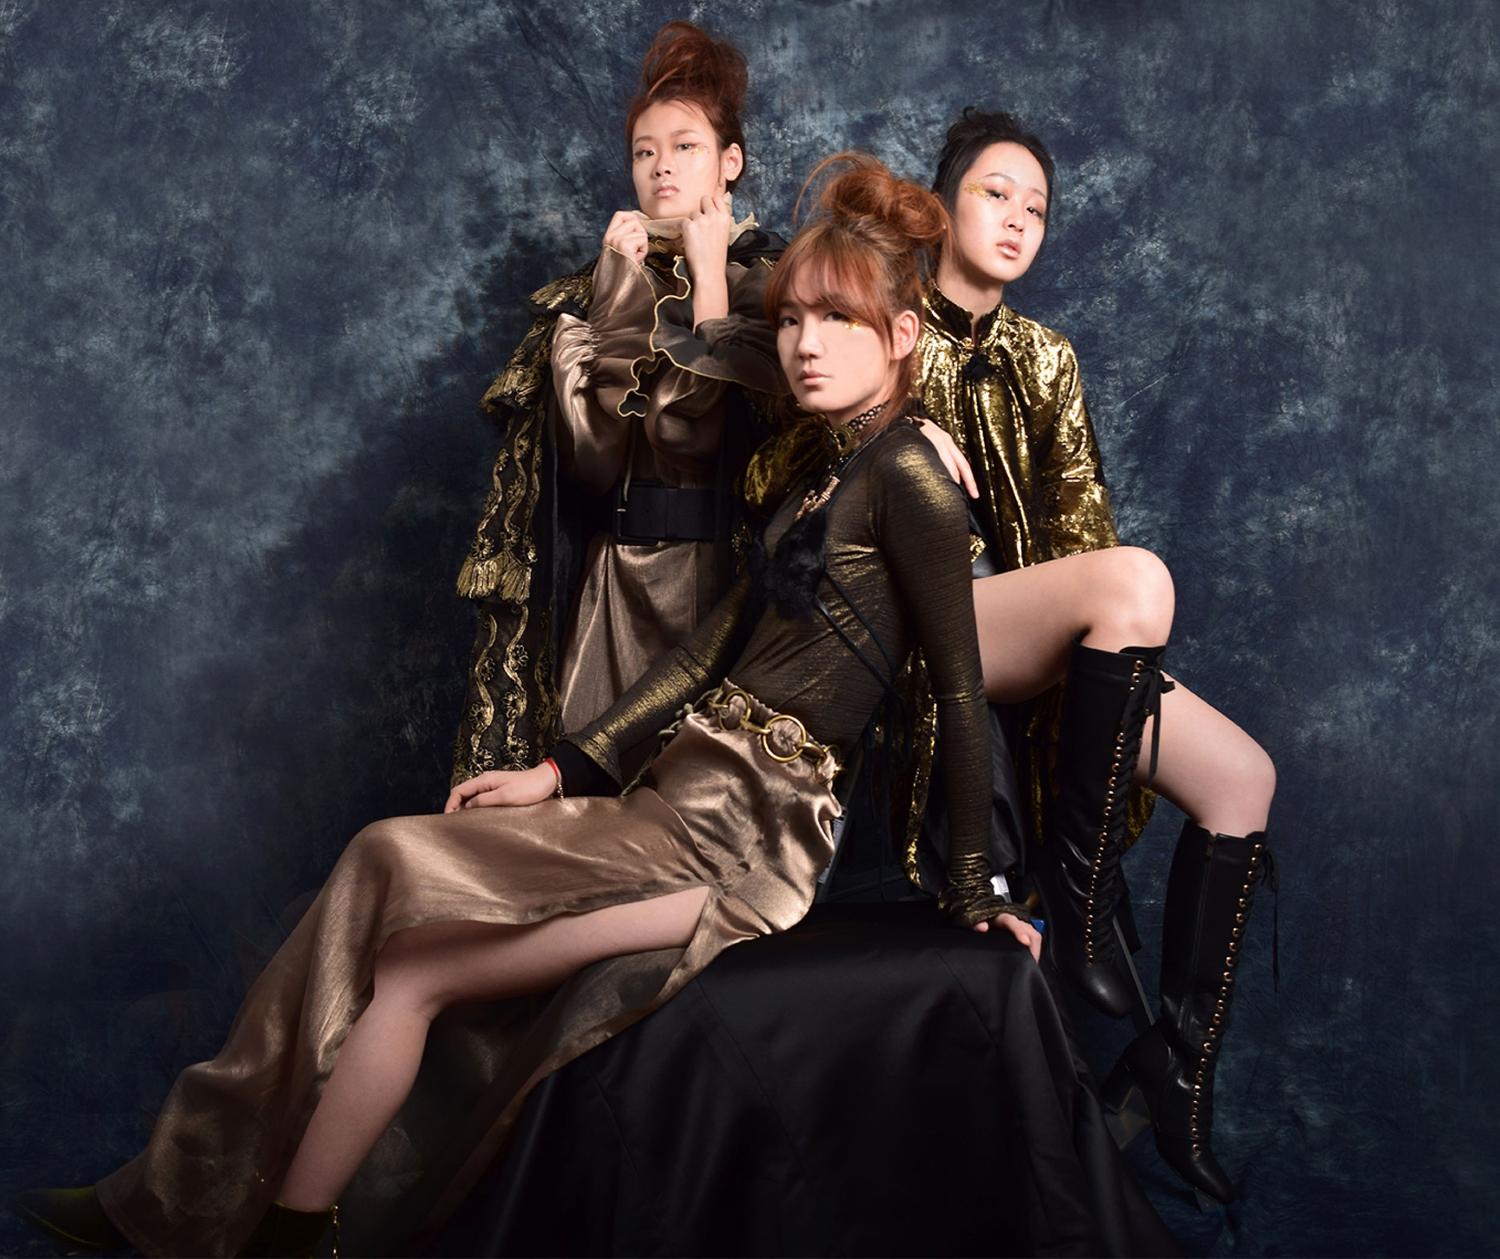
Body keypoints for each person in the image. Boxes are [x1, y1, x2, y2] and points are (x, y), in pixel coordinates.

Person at [19, 153, 1041, 1258]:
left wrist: (976, 888)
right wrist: (558, 770)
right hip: (675, 803)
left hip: (747, 844)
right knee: (407, 956)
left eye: (835, 320)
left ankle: (206, 1203)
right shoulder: (820, 476)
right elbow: (704, 655)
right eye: (791, 317)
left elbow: (958, 683)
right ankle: (259, 1217)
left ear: (901, 336)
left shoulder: (913, 478)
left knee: (392, 877)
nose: (802, 342)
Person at [910, 107, 1278, 1206]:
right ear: (940, 202)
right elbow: (802, 449)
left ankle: (1176, 1067)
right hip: (932, 634)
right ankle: (1081, 895)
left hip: (1051, 635)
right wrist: (898, 428)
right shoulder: (881, 321)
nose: (1018, 218)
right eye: (995, 193)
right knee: (1137, 580)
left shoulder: (1047, 357)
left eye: (1036, 207)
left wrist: (1106, 661)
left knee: (1244, 777)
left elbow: (1082, 523)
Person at [452, 20, 787, 786]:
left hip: (716, 583)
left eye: (685, 146)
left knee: (691, 799)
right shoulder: (602, 281)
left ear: (730, 162)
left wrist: (709, 274)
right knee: (585, 792)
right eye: (644, 151)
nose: (661, 166)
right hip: (612, 578)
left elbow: (693, 423)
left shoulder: (769, 282)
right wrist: (615, 295)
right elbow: (593, 458)